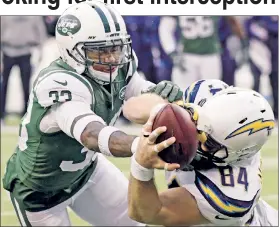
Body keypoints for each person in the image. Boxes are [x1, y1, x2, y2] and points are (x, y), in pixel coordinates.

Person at [2, 1, 182, 226]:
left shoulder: (119, 66)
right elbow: (91, 134)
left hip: (87, 171)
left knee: (134, 223)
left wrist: (158, 93)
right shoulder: (59, 83)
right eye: (99, 50)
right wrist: (140, 146)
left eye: (114, 48)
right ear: (71, 50)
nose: (110, 58)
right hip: (40, 193)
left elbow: (136, 89)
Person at [124, 85, 277, 226]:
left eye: (209, 143)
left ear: (236, 155)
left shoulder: (230, 194)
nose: (195, 138)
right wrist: (161, 106)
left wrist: (142, 166)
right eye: (195, 124)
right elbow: (131, 108)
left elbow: (147, 212)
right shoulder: (203, 96)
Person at [159, 16, 246, 91]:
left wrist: (243, 45)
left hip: (210, 55)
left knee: (212, 94)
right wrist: (172, 52)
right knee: (182, 93)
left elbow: (232, 21)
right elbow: (166, 27)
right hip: (187, 56)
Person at [0, 16, 47, 120]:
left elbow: (41, 32)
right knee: (4, 85)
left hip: (26, 51)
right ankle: (1, 115)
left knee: (26, 86)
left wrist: (40, 52)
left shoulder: (34, 14)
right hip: (7, 50)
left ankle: (27, 114)